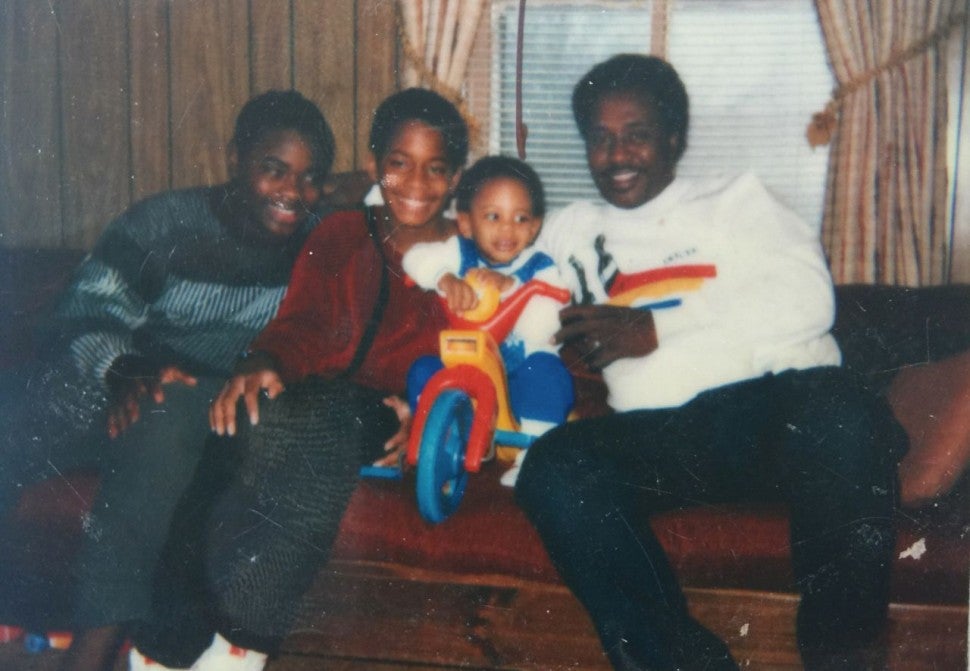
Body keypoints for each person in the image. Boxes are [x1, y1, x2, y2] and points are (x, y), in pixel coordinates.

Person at [516, 54, 905, 671]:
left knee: (841, 412)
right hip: (662, 438)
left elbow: (810, 300)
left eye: (637, 134)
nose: (617, 155)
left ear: (674, 137)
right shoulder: (569, 230)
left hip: (771, 417)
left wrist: (658, 326)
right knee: (554, 466)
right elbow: (489, 281)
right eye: (600, 138)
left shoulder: (736, 200)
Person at [127, 87, 469, 671]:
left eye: (436, 168)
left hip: (381, 410)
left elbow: (478, 355)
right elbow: (301, 321)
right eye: (399, 163)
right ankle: (177, 642)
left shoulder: (467, 259)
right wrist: (266, 360)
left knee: (309, 433)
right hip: (307, 395)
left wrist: (428, 405)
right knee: (236, 427)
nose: (416, 182)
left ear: (456, 176)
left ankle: (235, 640)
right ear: (373, 165)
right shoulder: (341, 234)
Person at [0, 90, 335, 671]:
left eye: (310, 179)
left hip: (193, 407)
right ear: (235, 159)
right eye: (273, 169)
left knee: (162, 419)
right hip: (115, 374)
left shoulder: (322, 242)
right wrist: (121, 367)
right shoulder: (164, 223)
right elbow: (81, 308)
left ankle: (91, 654)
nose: (291, 192)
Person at [402, 155, 574, 486]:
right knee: (423, 370)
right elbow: (414, 257)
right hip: (466, 364)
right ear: (466, 223)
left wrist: (512, 288)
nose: (507, 229)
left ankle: (535, 457)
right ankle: (436, 445)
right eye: (493, 216)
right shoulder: (459, 252)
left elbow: (548, 324)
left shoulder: (540, 266)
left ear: (534, 227)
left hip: (518, 374)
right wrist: (443, 277)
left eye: (521, 218)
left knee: (546, 372)